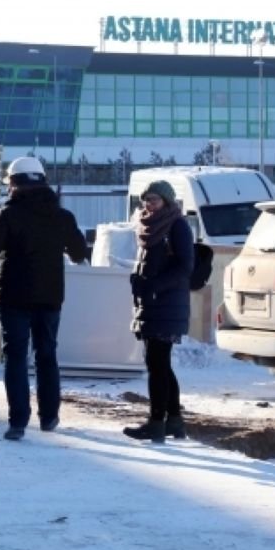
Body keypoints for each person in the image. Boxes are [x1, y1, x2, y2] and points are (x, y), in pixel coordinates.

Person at [0, 156, 87, 441]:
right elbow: (79, 253)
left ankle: (18, 421)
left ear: (14, 184)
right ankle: (50, 416)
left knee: (15, 356)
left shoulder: (6, 215)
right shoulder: (62, 216)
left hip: (14, 296)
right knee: (47, 354)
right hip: (51, 295)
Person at [124, 180, 194, 444]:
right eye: (145, 200)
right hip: (152, 302)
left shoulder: (176, 226)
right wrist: (139, 280)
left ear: (166, 200)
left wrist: (154, 285)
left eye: (153, 199)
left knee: (156, 364)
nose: (148, 204)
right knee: (160, 363)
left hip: (168, 303)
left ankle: (156, 423)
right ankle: (174, 421)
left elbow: (185, 266)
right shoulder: (148, 226)